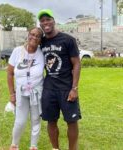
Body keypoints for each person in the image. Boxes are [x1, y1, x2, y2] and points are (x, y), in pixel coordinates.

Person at [37, 9, 82, 150]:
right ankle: (55, 148)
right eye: (42, 21)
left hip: (67, 88)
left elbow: (76, 63)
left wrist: (74, 88)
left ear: (54, 21)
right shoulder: (42, 42)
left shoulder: (68, 40)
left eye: (48, 19)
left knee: (72, 121)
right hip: (49, 89)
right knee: (51, 121)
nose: (45, 23)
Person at [7, 27, 44, 150]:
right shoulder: (17, 51)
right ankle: (14, 144)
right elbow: (10, 73)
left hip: (37, 93)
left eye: (37, 36)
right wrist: (12, 94)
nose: (34, 37)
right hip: (21, 93)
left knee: (36, 120)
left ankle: (33, 146)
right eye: (32, 34)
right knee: (20, 121)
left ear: (40, 40)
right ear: (28, 35)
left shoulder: (42, 53)